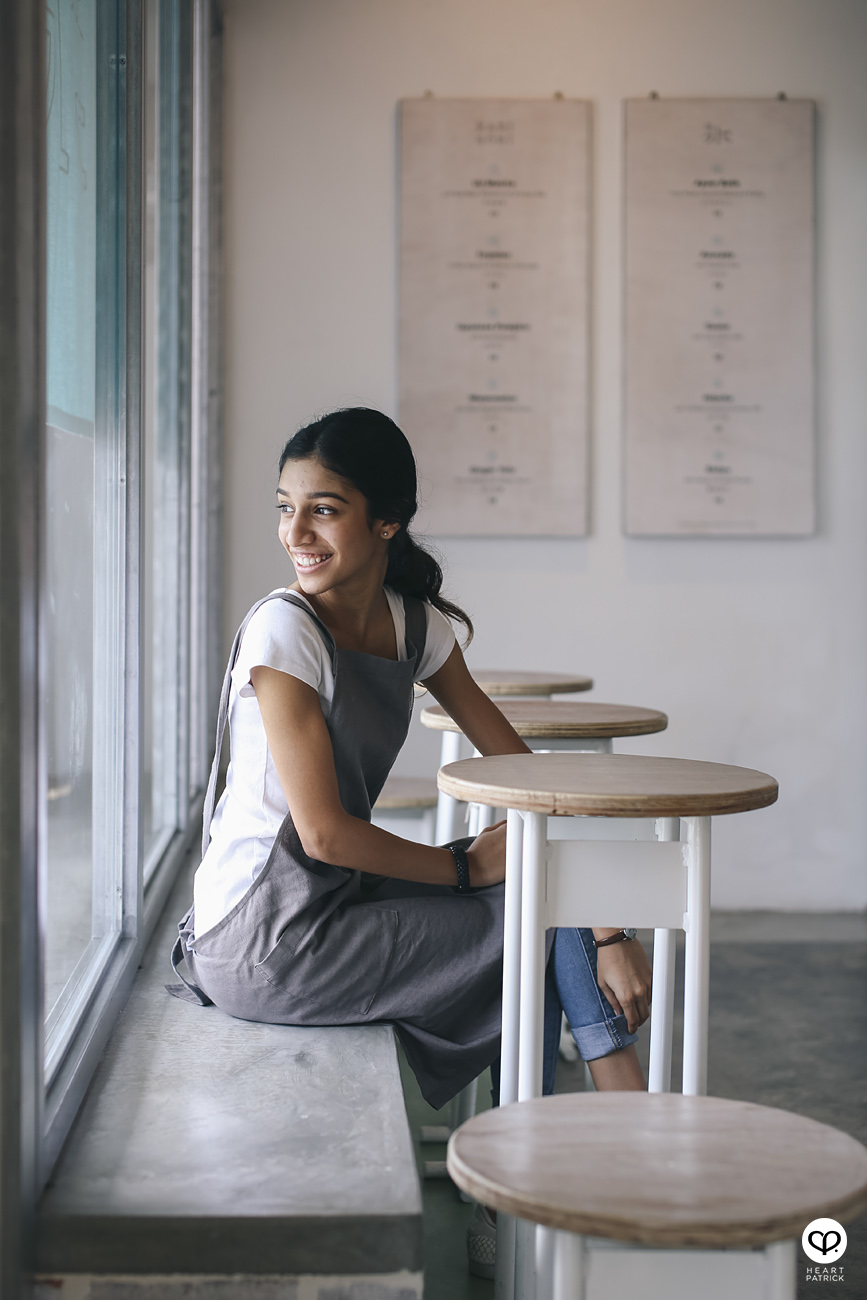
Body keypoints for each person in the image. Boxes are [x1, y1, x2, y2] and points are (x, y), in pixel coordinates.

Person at [168, 407, 652, 1273]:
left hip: (324, 905)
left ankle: (553, 1184)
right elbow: (320, 834)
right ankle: (610, 1161)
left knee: (541, 907)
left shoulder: (414, 623)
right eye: (285, 507)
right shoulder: (284, 630)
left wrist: (607, 924)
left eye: (323, 508)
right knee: (531, 925)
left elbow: (521, 771)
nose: (296, 533)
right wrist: (463, 867)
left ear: (385, 518)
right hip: (263, 937)